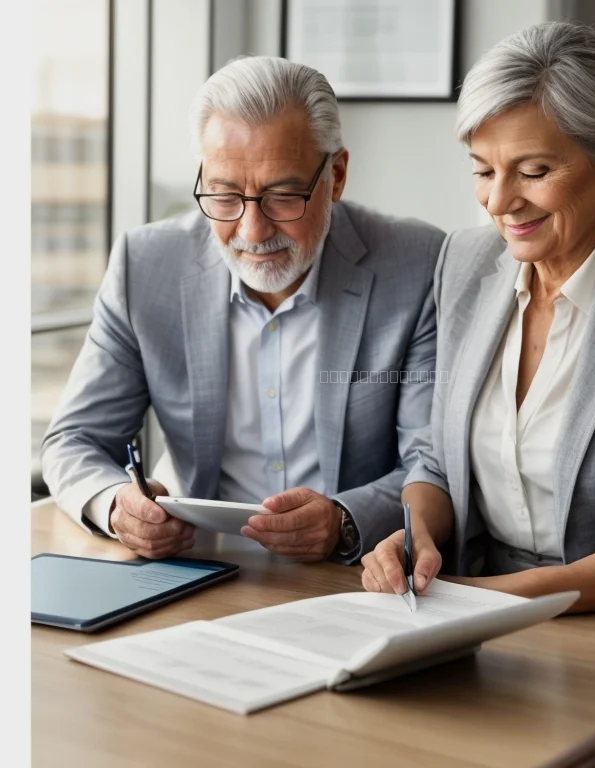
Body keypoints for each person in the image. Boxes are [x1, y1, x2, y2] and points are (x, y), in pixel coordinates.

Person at [360, 22, 595, 612]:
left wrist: (466, 600)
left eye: (533, 172)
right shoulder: (463, 262)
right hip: (484, 607)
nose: (499, 201)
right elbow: (437, 458)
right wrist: (415, 535)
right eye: (483, 170)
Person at [42, 56, 445, 564]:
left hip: (352, 576)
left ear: (337, 176)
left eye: (282, 196)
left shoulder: (415, 265)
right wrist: (115, 508)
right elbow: (74, 439)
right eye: (225, 195)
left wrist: (345, 520)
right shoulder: (144, 266)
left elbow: (431, 462)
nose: (252, 231)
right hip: (195, 569)